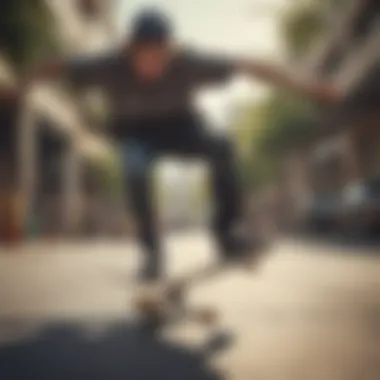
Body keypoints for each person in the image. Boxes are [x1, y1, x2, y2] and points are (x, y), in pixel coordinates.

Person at [14, 9, 341, 281]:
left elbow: (250, 66)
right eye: (146, 57)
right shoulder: (108, 64)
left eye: (161, 56)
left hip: (182, 128)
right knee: (135, 167)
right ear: (130, 51)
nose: (154, 65)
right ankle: (152, 253)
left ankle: (227, 234)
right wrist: (18, 88)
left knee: (222, 144)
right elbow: (55, 66)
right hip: (135, 132)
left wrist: (307, 87)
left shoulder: (188, 61)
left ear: (171, 50)